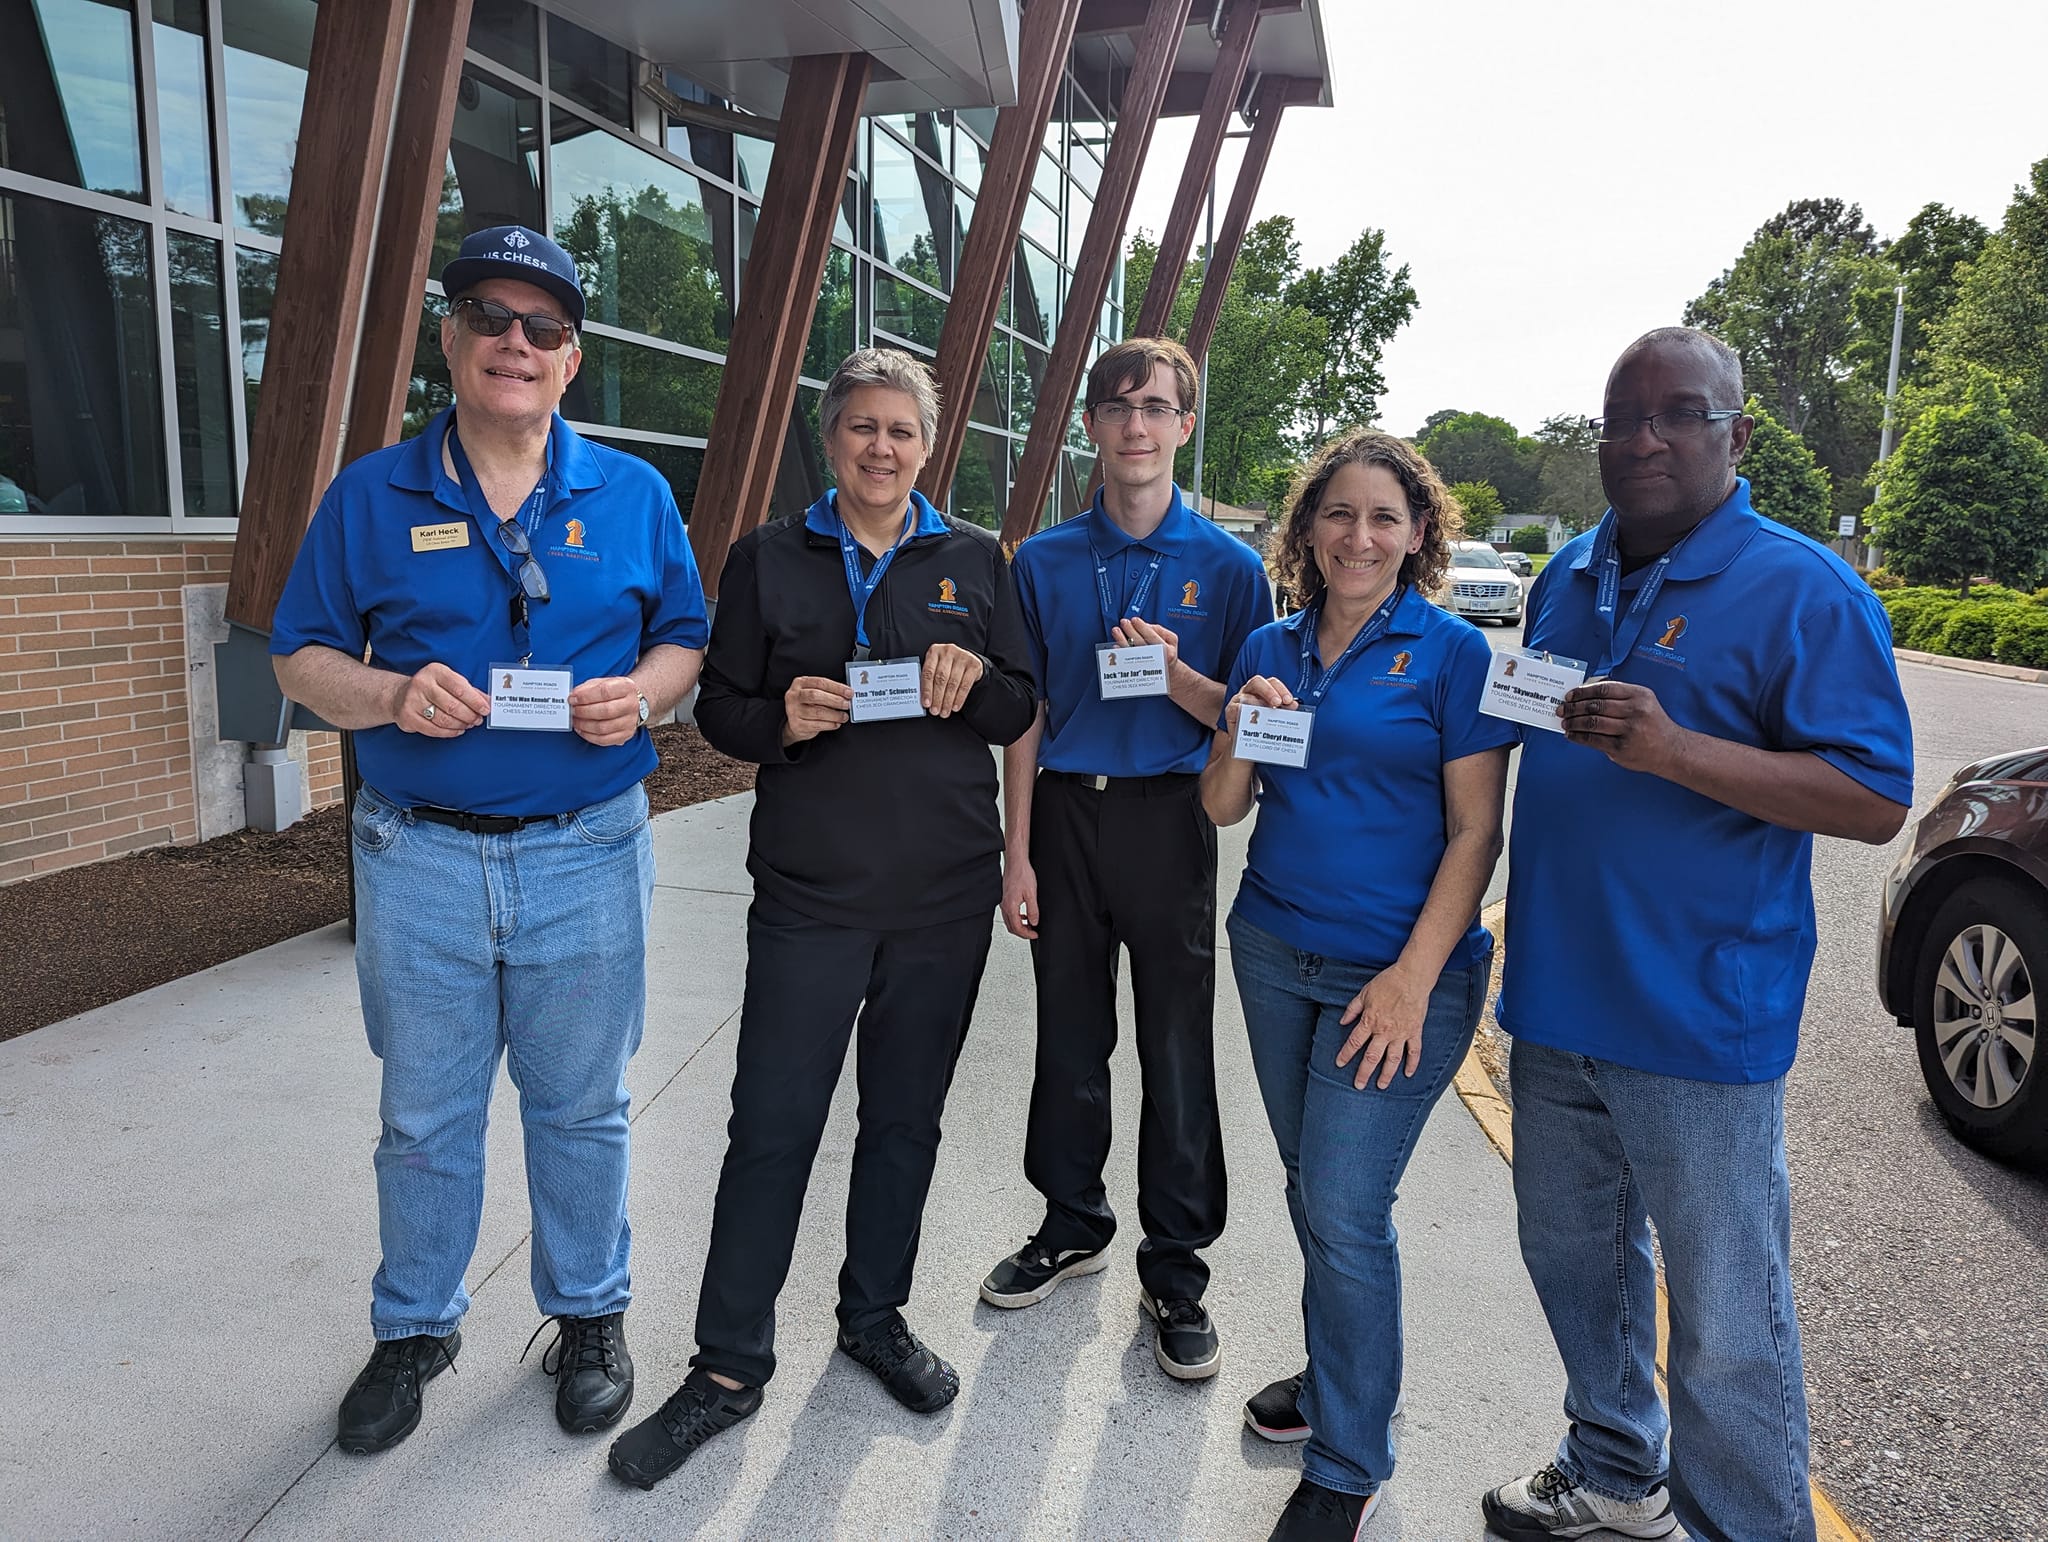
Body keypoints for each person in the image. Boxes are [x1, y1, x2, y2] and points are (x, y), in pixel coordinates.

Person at [270, 225, 709, 1453]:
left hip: (585, 848)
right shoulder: (371, 493)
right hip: (417, 856)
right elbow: (300, 656)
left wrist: (648, 690)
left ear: (572, 360)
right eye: (489, 317)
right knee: (423, 1114)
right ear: (449, 340)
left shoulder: (630, 493)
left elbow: (685, 634)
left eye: (545, 327)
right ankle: (415, 1325)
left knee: (581, 1106)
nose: (516, 343)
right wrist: (387, 695)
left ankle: (586, 1311)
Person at [1480, 328, 1913, 1542]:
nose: (1641, 441)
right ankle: (1614, 1475)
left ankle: (1745, 1528)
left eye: (1676, 415)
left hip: (1695, 1019)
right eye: (1619, 420)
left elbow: (1875, 801)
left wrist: (1674, 749)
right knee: (1579, 1274)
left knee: (1722, 1321)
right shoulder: (1568, 569)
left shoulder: (1802, 589)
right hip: (1556, 999)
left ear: (1735, 433)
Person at [607, 348, 1037, 1490]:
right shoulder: (765, 557)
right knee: (773, 1126)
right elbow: (722, 711)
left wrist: (970, 673)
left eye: (901, 430)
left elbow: (1019, 702)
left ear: (926, 446)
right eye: (861, 428)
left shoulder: (974, 560)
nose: (881, 448)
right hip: (809, 896)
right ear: (829, 437)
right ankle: (727, 1366)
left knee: (904, 1123)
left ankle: (873, 1317)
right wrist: (784, 720)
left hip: (941, 897)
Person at [1202, 430, 1514, 1540]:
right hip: (1273, 951)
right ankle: (1338, 1384)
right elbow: (1223, 808)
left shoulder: (1447, 654)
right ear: (1307, 528)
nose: (1359, 536)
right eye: (1338, 514)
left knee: (1342, 1204)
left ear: (1419, 532)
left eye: (1384, 517)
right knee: (1309, 1187)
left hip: (1399, 973)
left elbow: (1475, 833)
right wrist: (1238, 726)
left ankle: (1349, 1456)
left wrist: (1407, 981)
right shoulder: (1269, 643)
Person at [982, 336, 1273, 1380]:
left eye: (1155, 407)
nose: (1136, 425)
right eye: (1116, 407)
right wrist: (1015, 853)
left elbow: (1249, 721)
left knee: (1174, 1044)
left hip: (1166, 818)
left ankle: (1177, 1266)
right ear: (1092, 428)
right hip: (1061, 814)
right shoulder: (1043, 561)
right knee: (1068, 1034)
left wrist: (1182, 680)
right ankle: (1070, 1220)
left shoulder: (1233, 572)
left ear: (1182, 426)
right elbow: (1026, 715)